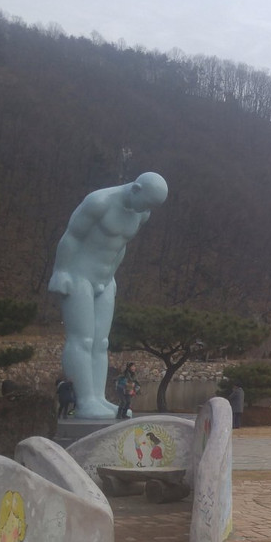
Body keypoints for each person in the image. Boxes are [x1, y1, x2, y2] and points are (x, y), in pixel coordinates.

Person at [49, 172, 168, 419]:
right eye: (146, 202)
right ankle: (84, 401)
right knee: (82, 339)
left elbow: (119, 246)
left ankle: (98, 397)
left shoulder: (142, 212)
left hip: (105, 279)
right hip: (78, 274)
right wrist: (61, 271)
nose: (146, 209)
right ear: (136, 188)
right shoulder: (99, 202)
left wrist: (110, 277)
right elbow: (72, 237)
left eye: (151, 206)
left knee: (101, 342)